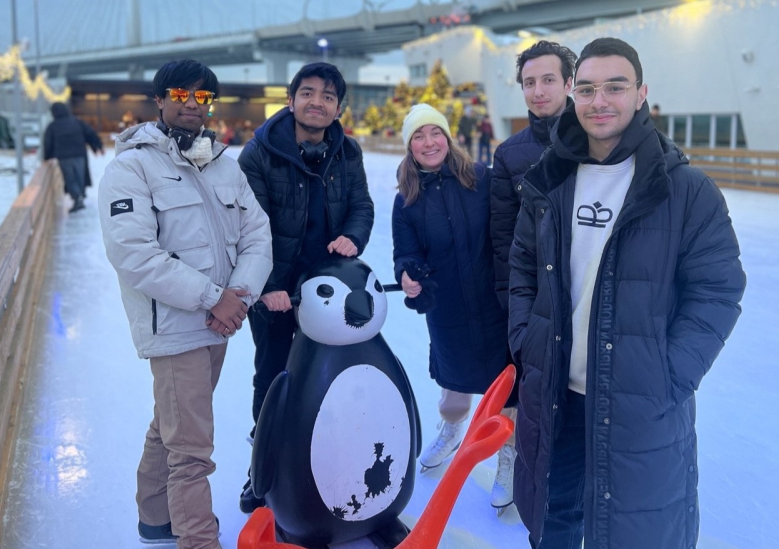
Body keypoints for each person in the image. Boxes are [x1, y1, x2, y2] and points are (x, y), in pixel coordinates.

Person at [508, 37, 746, 549]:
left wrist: (670, 374)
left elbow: (718, 290)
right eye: (588, 88)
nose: (600, 101)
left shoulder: (687, 189)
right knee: (554, 523)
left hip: (638, 398)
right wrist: (527, 339)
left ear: (641, 94)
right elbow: (522, 266)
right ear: (573, 94)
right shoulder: (549, 181)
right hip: (555, 397)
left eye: (615, 87)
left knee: (634, 531)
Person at [98, 60, 273, 548]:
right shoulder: (131, 168)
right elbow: (135, 255)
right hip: (175, 327)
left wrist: (238, 295)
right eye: (181, 94)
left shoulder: (222, 164)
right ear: (158, 99)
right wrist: (213, 298)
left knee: (173, 423)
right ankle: (198, 539)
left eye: (203, 98)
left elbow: (257, 234)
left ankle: (154, 516)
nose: (192, 105)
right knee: (192, 447)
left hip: (219, 322)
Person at [237, 61, 375, 513]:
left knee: (331, 375)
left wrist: (353, 236)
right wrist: (271, 286)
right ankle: (262, 469)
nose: (318, 102)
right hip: (276, 291)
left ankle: (328, 459)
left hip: (329, 287)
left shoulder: (347, 152)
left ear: (338, 108)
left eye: (329, 96)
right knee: (275, 376)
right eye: (309, 93)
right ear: (291, 99)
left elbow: (361, 205)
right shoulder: (259, 153)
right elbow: (248, 225)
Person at [391, 103, 516, 513]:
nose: (429, 143)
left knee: (507, 388)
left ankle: (508, 457)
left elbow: (510, 228)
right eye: (419, 137)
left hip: (494, 303)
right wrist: (409, 274)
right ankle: (451, 428)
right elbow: (405, 254)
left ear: (448, 137)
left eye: (435, 133)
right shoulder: (407, 200)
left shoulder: (480, 179)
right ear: (409, 147)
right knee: (454, 385)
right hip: (448, 309)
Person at [490, 40, 576, 309]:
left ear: (568, 83)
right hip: (538, 296)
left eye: (548, 80)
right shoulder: (508, 154)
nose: (538, 91)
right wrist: (511, 299)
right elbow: (504, 236)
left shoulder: (597, 141)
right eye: (529, 83)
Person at [43, 102, 103, 212]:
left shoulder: (53, 126)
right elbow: (90, 133)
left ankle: (77, 198)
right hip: (79, 155)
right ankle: (80, 195)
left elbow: (48, 143)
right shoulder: (76, 122)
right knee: (80, 176)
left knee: (70, 179)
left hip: (64, 157)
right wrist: (97, 146)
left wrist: (47, 157)